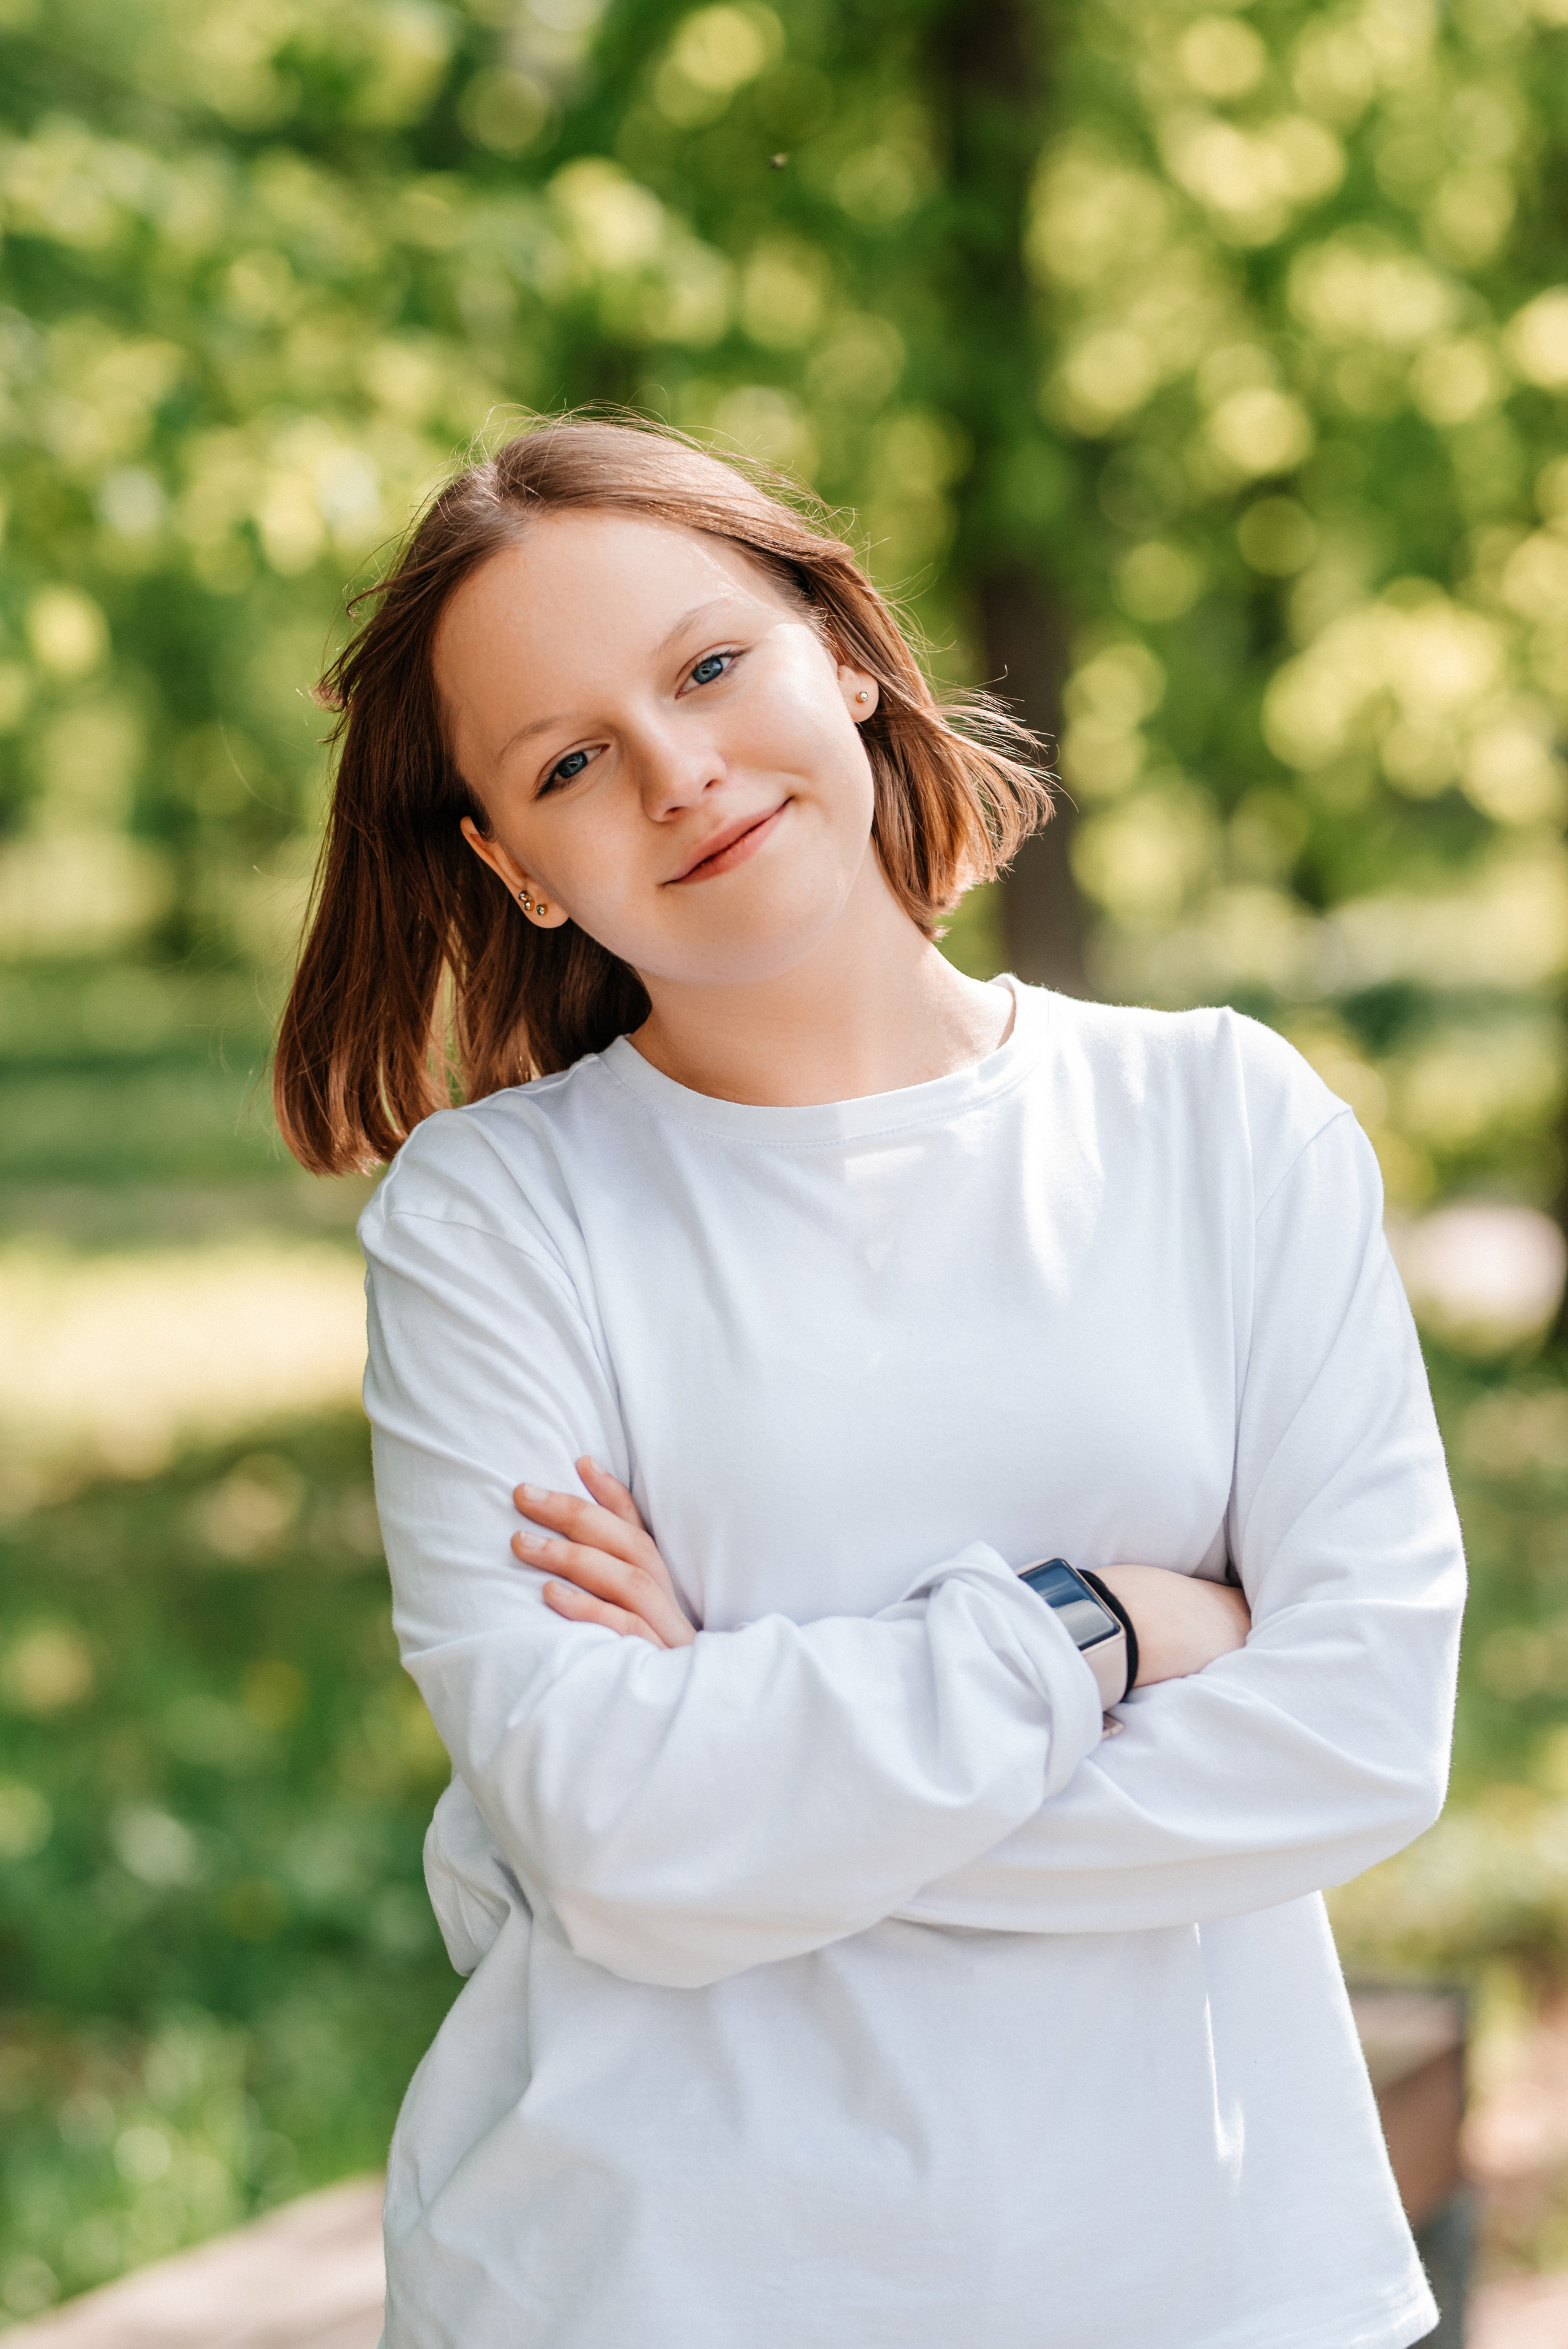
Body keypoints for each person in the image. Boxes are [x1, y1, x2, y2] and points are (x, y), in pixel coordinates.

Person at [273, 414, 1465, 2349]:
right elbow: (608, 1827)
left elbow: (1363, 1734)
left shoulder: (1221, 1122)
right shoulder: (491, 1220)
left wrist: (737, 1780)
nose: (678, 771)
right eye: (570, 761)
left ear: (841, 646)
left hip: (1209, 2283)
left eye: (710, 665)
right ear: (518, 864)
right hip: (651, 2288)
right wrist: (1098, 1634)